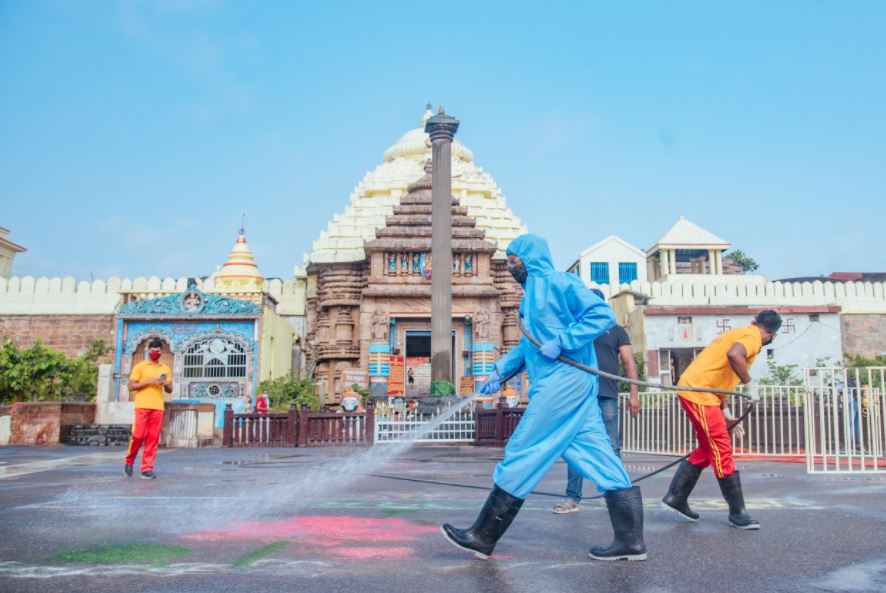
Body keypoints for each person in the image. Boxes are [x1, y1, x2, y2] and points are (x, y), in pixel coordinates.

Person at [441, 234, 646, 561]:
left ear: (528, 258)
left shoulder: (560, 282)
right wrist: (499, 373)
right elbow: (529, 346)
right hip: (566, 385)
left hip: (563, 383)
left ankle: (483, 535)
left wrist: (564, 340)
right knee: (599, 456)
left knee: (524, 449)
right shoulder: (529, 298)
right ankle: (631, 542)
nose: (510, 266)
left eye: (513, 259)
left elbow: (601, 316)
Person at [660, 309, 782, 530]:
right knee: (721, 446)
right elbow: (735, 355)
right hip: (698, 393)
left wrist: (725, 411)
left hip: (703, 392)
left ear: (754, 321)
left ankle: (676, 497)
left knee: (709, 448)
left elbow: (720, 377)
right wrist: (749, 385)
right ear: (773, 335)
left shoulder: (741, 332)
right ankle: (737, 512)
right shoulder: (753, 338)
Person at [553, 288, 641, 514]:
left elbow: (629, 363)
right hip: (580, 395)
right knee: (577, 445)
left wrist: (634, 395)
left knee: (612, 446)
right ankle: (573, 497)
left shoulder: (617, 330)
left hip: (607, 395)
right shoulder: (577, 331)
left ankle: (617, 494)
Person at [124, 338, 172, 479]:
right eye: (152, 351)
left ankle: (147, 468)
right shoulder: (140, 366)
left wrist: (165, 384)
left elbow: (170, 389)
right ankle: (129, 460)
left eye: (157, 351)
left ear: (161, 352)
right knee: (138, 435)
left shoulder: (165, 368)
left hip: (157, 407)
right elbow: (131, 386)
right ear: (148, 351)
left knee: (152, 438)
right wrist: (149, 381)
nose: (154, 353)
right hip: (142, 406)